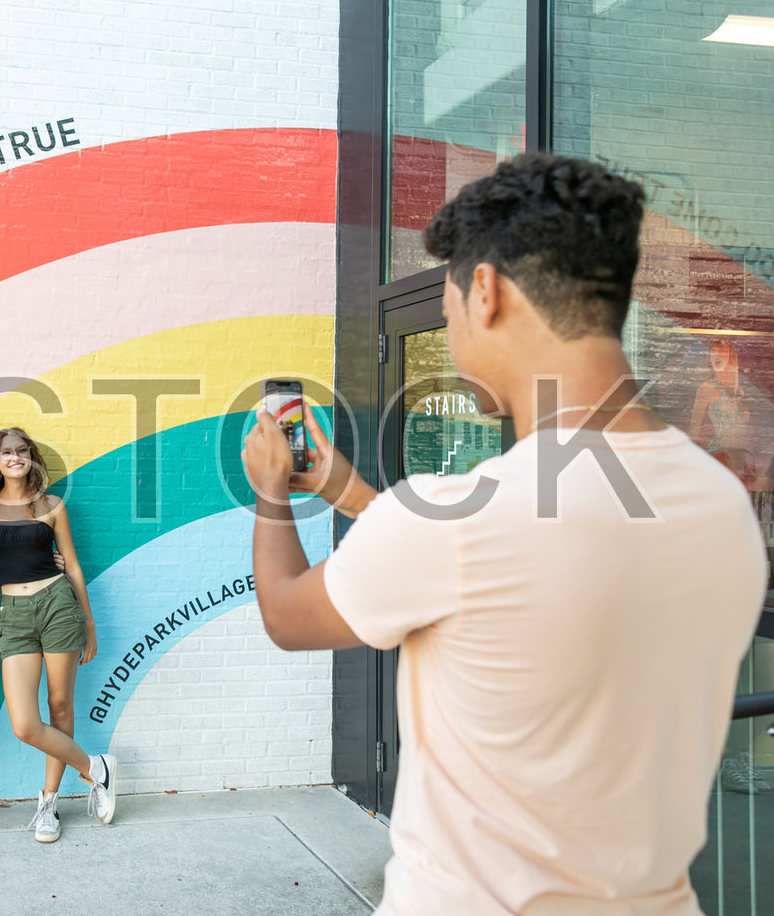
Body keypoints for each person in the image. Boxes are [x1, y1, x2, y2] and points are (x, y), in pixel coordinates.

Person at [242, 154, 767, 914]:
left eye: (449, 312)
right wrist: (349, 492)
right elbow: (513, 565)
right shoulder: (720, 500)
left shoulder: (453, 519)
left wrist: (270, 495)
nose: (452, 342)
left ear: (484, 292)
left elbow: (288, 613)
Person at [0, 427, 117, 842]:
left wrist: (89, 622)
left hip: (58, 605)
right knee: (25, 723)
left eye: (23, 451)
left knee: (60, 707)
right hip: (15, 616)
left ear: (31, 458)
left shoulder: (51, 505)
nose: (16, 457)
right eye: (7, 452)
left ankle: (48, 804)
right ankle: (97, 769)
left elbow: (72, 566)